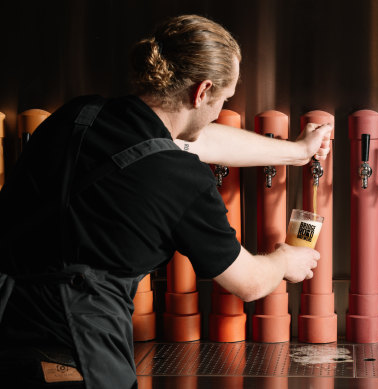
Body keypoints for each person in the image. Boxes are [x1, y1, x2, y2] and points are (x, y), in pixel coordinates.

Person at [0, 14, 332, 389]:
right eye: (224, 98)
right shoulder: (182, 180)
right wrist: (286, 259)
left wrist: (297, 152)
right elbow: (250, 282)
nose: (222, 106)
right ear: (202, 91)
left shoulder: (79, 114)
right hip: (74, 353)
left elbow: (201, 141)